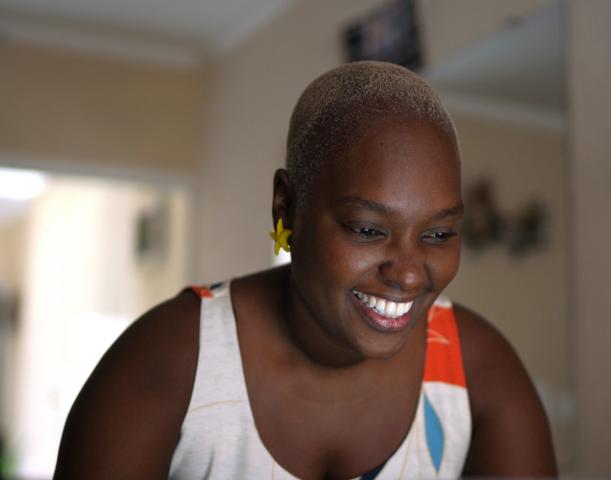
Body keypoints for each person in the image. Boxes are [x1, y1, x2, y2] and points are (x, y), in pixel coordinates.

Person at [54, 61, 557, 479]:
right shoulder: (170, 362)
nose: (407, 274)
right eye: (366, 229)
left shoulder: (479, 374)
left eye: (438, 234)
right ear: (286, 208)